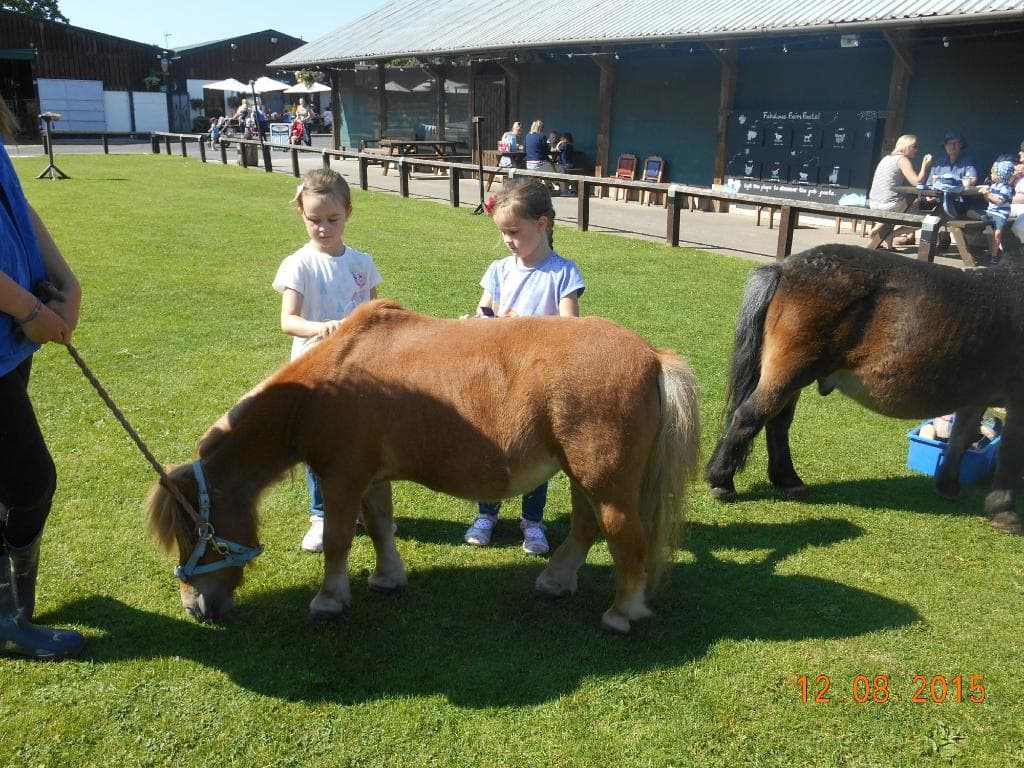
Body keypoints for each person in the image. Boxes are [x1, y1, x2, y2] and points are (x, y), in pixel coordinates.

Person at [0, 99, 86, 659]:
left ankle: (13, 607)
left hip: (9, 341)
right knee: (30, 481)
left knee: (15, 482)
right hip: (13, 325)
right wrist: (30, 310)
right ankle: (7, 616)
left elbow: (20, 208)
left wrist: (65, 281)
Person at [463, 177, 585, 555]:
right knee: (491, 446)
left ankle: (533, 522)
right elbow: (486, 312)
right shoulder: (500, 269)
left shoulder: (562, 273)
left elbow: (570, 330)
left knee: (537, 454)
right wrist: (476, 322)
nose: (508, 240)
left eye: (514, 231)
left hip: (537, 382)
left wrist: (523, 332)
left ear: (542, 224)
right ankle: (486, 513)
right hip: (497, 377)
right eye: (503, 233)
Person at [272, 169, 383, 552]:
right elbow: (288, 321)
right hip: (314, 370)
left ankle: (362, 509)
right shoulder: (298, 264)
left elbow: (374, 312)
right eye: (314, 220)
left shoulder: (362, 263)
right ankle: (321, 515)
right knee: (318, 447)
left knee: (361, 442)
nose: (323, 227)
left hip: (360, 372)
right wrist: (324, 328)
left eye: (332, 219)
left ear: (348, 213)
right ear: (302, 215)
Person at [867, 134, 932, 249]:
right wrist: (924, 165)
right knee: (924, 219)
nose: (917, 150)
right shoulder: (902, 160)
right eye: (915, 146)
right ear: (906, 146)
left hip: (874, 203)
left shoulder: (886, 158)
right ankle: (890, 235)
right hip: (888, 205)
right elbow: (917, 183)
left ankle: (886, 240)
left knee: (910, 204)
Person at [973, 158, 1015, 263]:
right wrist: (985, 194)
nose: (991, 174)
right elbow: (990, 201)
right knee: (988, 230)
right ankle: (991, 250)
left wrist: (988, 194)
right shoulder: (994, 185)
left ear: (1001, 175)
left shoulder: (1006, 188)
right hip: (991, 212)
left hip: (1000, 214)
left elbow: (999, 201)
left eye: (993, 172)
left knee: (997, 233)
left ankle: (994, 256)